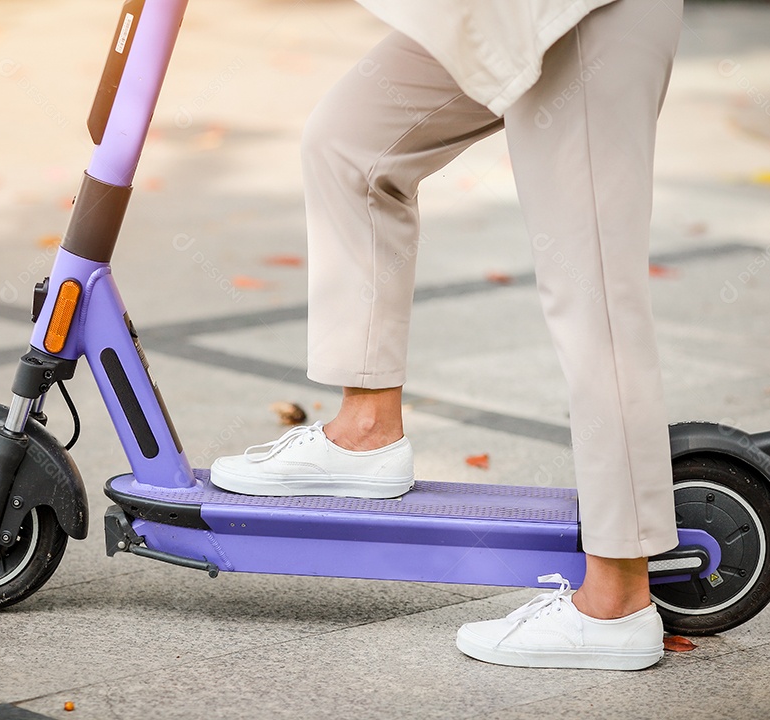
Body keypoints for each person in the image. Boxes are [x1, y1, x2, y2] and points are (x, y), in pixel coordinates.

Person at [211, 0, 683, 671]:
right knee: (349, 145)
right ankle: (365, 432)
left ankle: (616, 602)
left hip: (583, 14)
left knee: (594, 288)